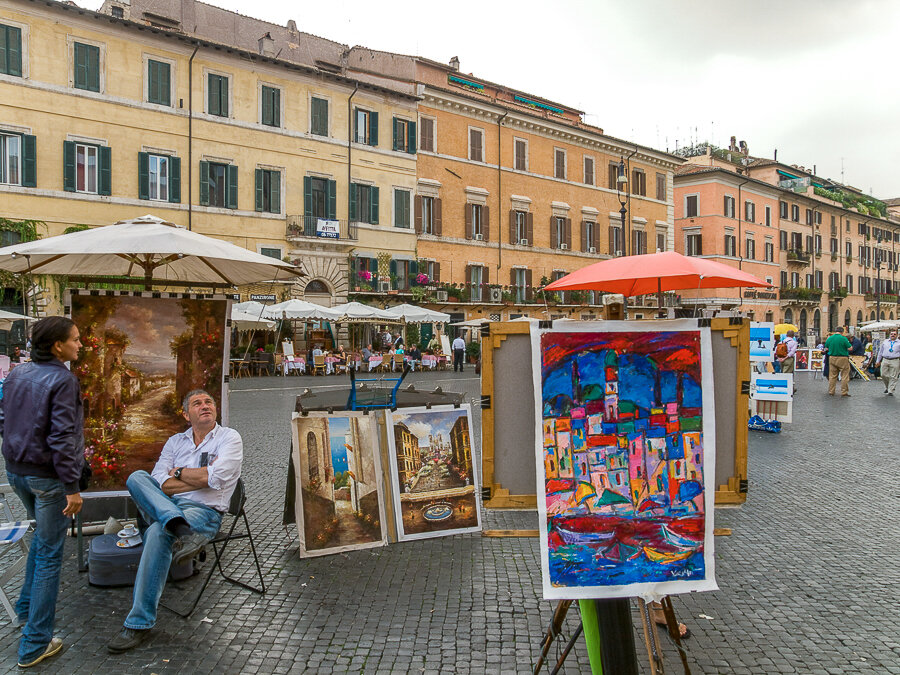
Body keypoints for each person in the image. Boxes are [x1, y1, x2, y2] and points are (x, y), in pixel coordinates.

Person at [107, 390, 243, 653]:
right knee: (137, 477)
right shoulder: (175, 442)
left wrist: (179, 473)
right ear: (185, 414)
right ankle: (177, 525)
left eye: (209, 402)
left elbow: (215, 479)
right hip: (170, 507)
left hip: (202, 512)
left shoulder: (229, 437)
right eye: (197, 403)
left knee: (158, 531)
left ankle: (138, 624)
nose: (205, 406)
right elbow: (159, 481)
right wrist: (196, 479)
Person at [0, 317, 84, 668]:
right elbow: (62, 437)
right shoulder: (63, 379)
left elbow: (4, 418)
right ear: (57, 346)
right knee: (50, 554)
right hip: (49, 480)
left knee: (41, 543)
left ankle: (23, 611)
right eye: (75, 340)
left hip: (17, 471)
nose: (80, 345)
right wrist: (72, 487)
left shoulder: (18, 373)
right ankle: (35, 643)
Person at [824, 327, 852, 397]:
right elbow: (850, 348)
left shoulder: (830, 338)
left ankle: (831, 391)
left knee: (832, 376)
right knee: (844, 375)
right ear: (842, 332)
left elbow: (826, 348)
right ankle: (844, 391)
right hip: (842, 358)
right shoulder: (843, 338)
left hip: (832, 358)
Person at [875, 329, 900, 395]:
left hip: (895, 360)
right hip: (885, 359)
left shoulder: (899, 343)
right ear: (889, 335)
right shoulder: (885, 342)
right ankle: (888, 387)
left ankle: (890, 390)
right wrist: (878, 360)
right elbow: (880, 352)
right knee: (883, 374)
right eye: (892, 334)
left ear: (897, 335)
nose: (893, 335)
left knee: (893, 376)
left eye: (894, 334)